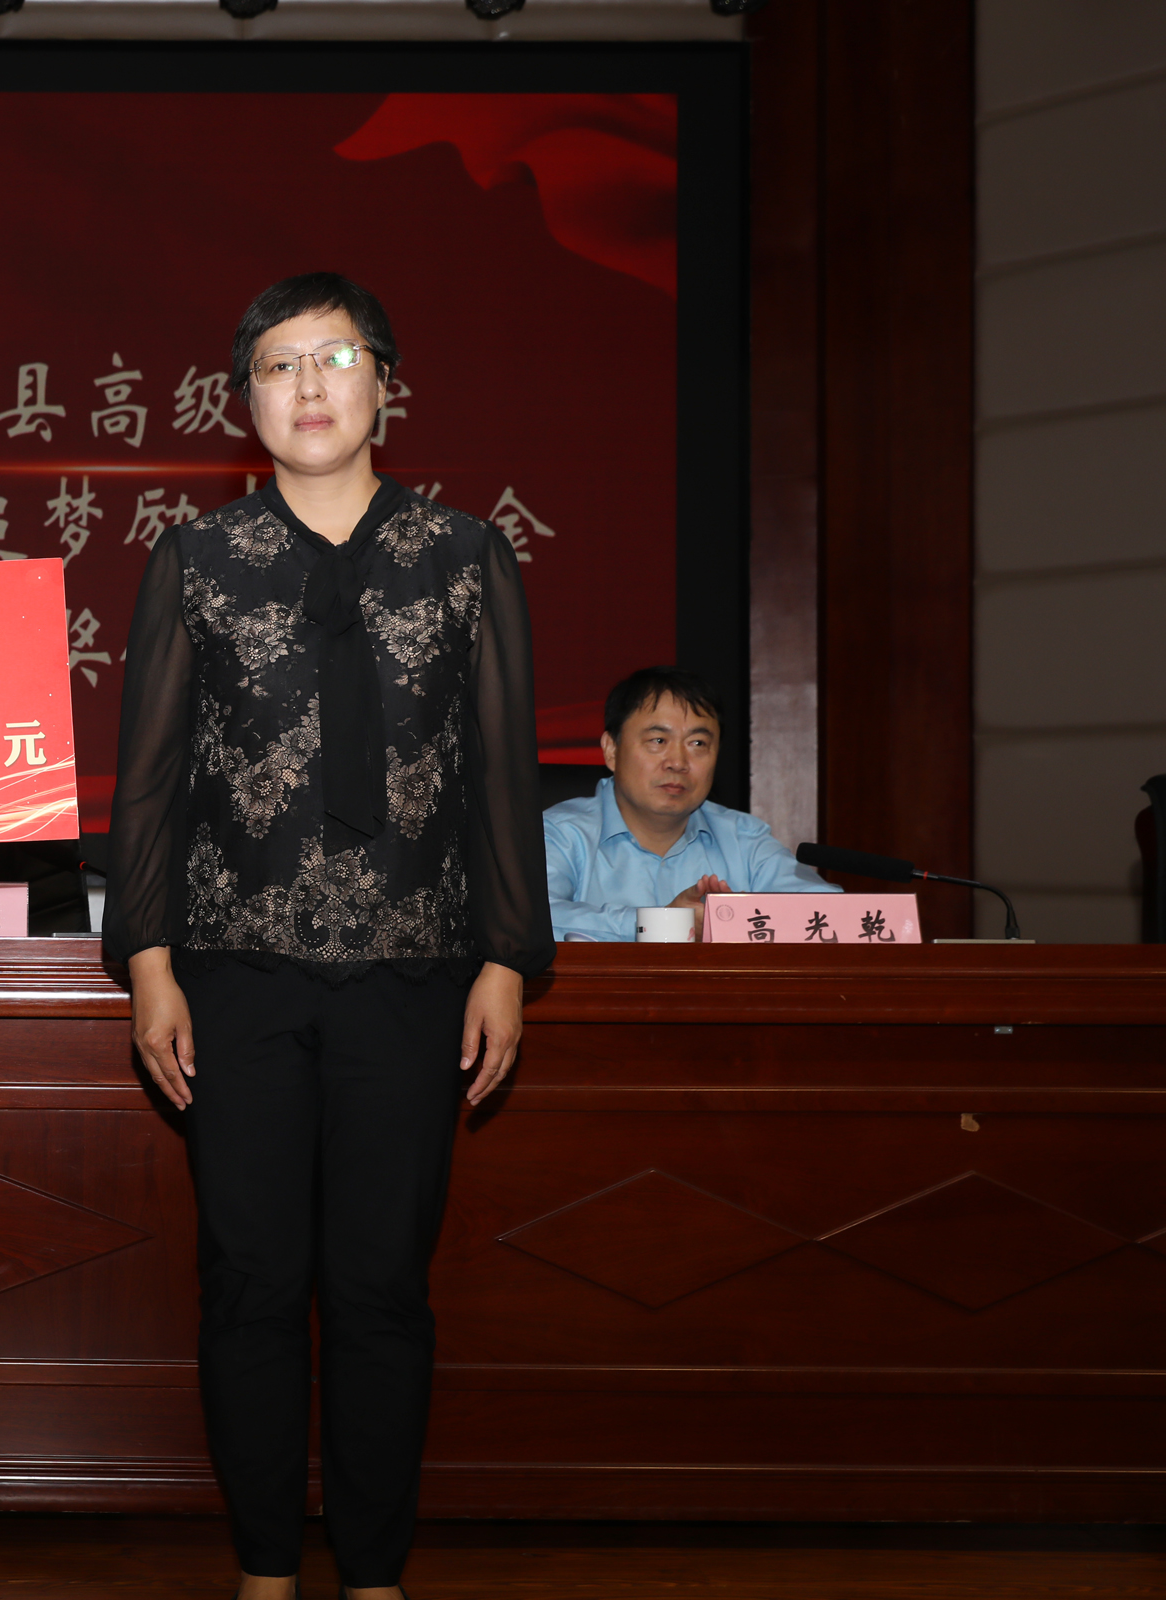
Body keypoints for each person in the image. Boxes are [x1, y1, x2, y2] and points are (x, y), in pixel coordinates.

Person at [105, 273, 553, 1600]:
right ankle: (262, 1565)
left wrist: (506, 959)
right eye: (279, 366)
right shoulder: (196, 560)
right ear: (245, 402)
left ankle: (372, 1572)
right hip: (234, 976)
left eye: (336, 359)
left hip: (414, 978)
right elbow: (151, 782)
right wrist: (147, 967)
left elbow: (500, 774)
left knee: (380, 1286)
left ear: (385, 386)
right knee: (249, 1280)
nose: (309, 386)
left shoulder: (465, 555)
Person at [543, 665, 835, 940]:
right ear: (611, 750)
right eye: (658, 740)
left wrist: (734, 921)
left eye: (698, 744)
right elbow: (532, 920)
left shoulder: (744, 839)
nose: (678, 762)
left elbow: (830, 915)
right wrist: (662, 924)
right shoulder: (558, 834)